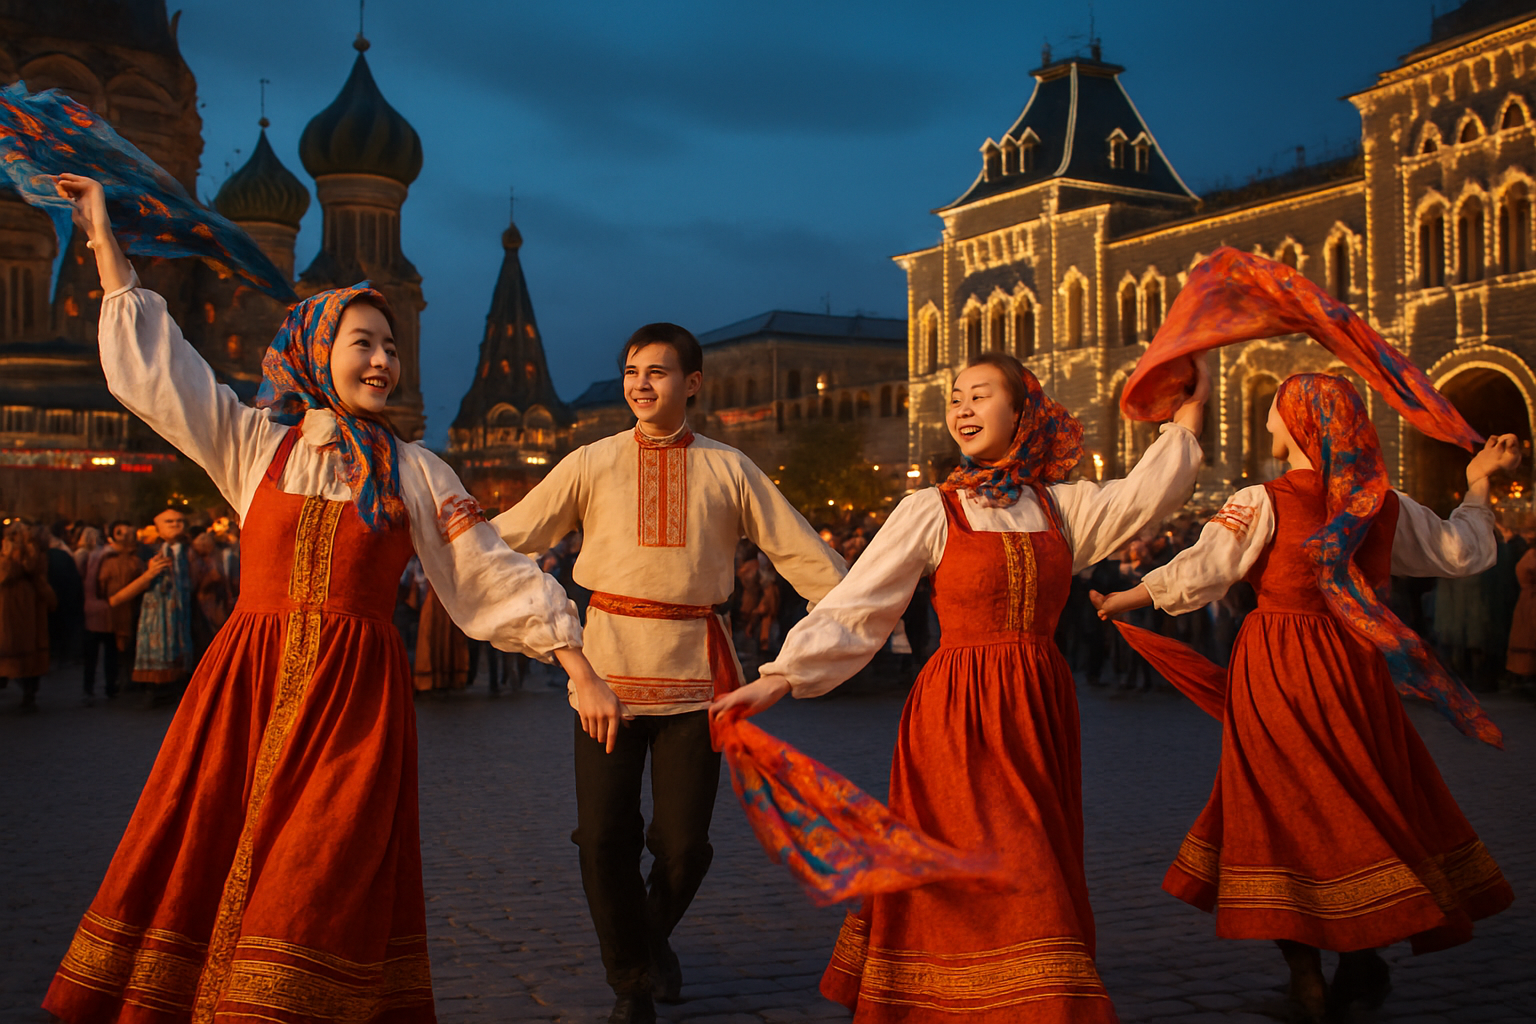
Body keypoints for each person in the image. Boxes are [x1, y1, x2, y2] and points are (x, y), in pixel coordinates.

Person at [44, 173, 597, 1024]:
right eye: (363, 343)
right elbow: (165, 376)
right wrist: (103, 241)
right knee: (208, 858)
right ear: (316, 350)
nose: (383, 359)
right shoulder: (254, 445)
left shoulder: (416, 471)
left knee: (317, 874)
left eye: (391, 346)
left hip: (354, 710)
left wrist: (577, 665)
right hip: (246, 690)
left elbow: (488, 570)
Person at [712, 350, 1209, 1023]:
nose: (962, 408)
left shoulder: (1064, 509)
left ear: (1022, 412)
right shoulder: (931, 509)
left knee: (1036, 856)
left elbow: (1151, 490)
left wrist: (1188, 411)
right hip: (956, 715)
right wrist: (777, 678)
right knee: (968, 864)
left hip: (1037, 711)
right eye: (955, 397)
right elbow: (859, 606)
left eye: (979, 395)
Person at [1093, 374, 1517, 1021]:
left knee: (1279, 814)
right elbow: (1460, 550)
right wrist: (1479, 482)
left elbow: (1206, 569)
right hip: (1354, 673)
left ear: (1295, 424)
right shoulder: (1382, 503)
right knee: (1355, 805)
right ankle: (1354, 966)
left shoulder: (1263, 499)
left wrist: (1129, 595)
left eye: (1275, 410)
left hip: (1280, 671)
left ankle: (1309, 981)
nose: (1268, 420)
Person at [493, 322, 847, 1024]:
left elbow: (815, 566)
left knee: (683, 846)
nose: (640, 384)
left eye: (657, 372)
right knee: (603, 839)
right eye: (631, 371)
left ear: (692, 383)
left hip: (698, 682)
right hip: (605, 679)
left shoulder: (732, 468)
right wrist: (424, 516)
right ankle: (631, 983)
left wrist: (830, 638)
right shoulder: (591, 462)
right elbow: (505, 535)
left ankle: (646, 941)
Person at [130, 506, 194, 705]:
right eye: (169, 522)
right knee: (157, 645)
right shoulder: (147, 551)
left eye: (179, 521)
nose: (175, 525)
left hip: (183, 607)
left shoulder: (190, 551)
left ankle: (179, 687)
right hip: (156, 608)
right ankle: (155, 689)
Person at [1, 521, 54, 712]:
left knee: (15, 649)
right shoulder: (34, 558)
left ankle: (27, 691)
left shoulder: (24, 561)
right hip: (18, 608)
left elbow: (7, 573)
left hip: (15, 609)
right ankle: (28, 692)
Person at [97, 519, 150, 697]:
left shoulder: (139, 558)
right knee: (115, 648)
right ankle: (115, 682)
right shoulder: (106, 559)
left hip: (134, 608)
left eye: (130, 533)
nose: (127, 537)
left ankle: (130, 680)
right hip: (113, 610)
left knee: (131, 645)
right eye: (122, 533)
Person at [81, 523, 120, 701]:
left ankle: (92, 688)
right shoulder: (105, 556)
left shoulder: (93, 556)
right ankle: (107, 687)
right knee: (104, 653)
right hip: (104, 608)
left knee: (95, 655)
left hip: (96, 609)